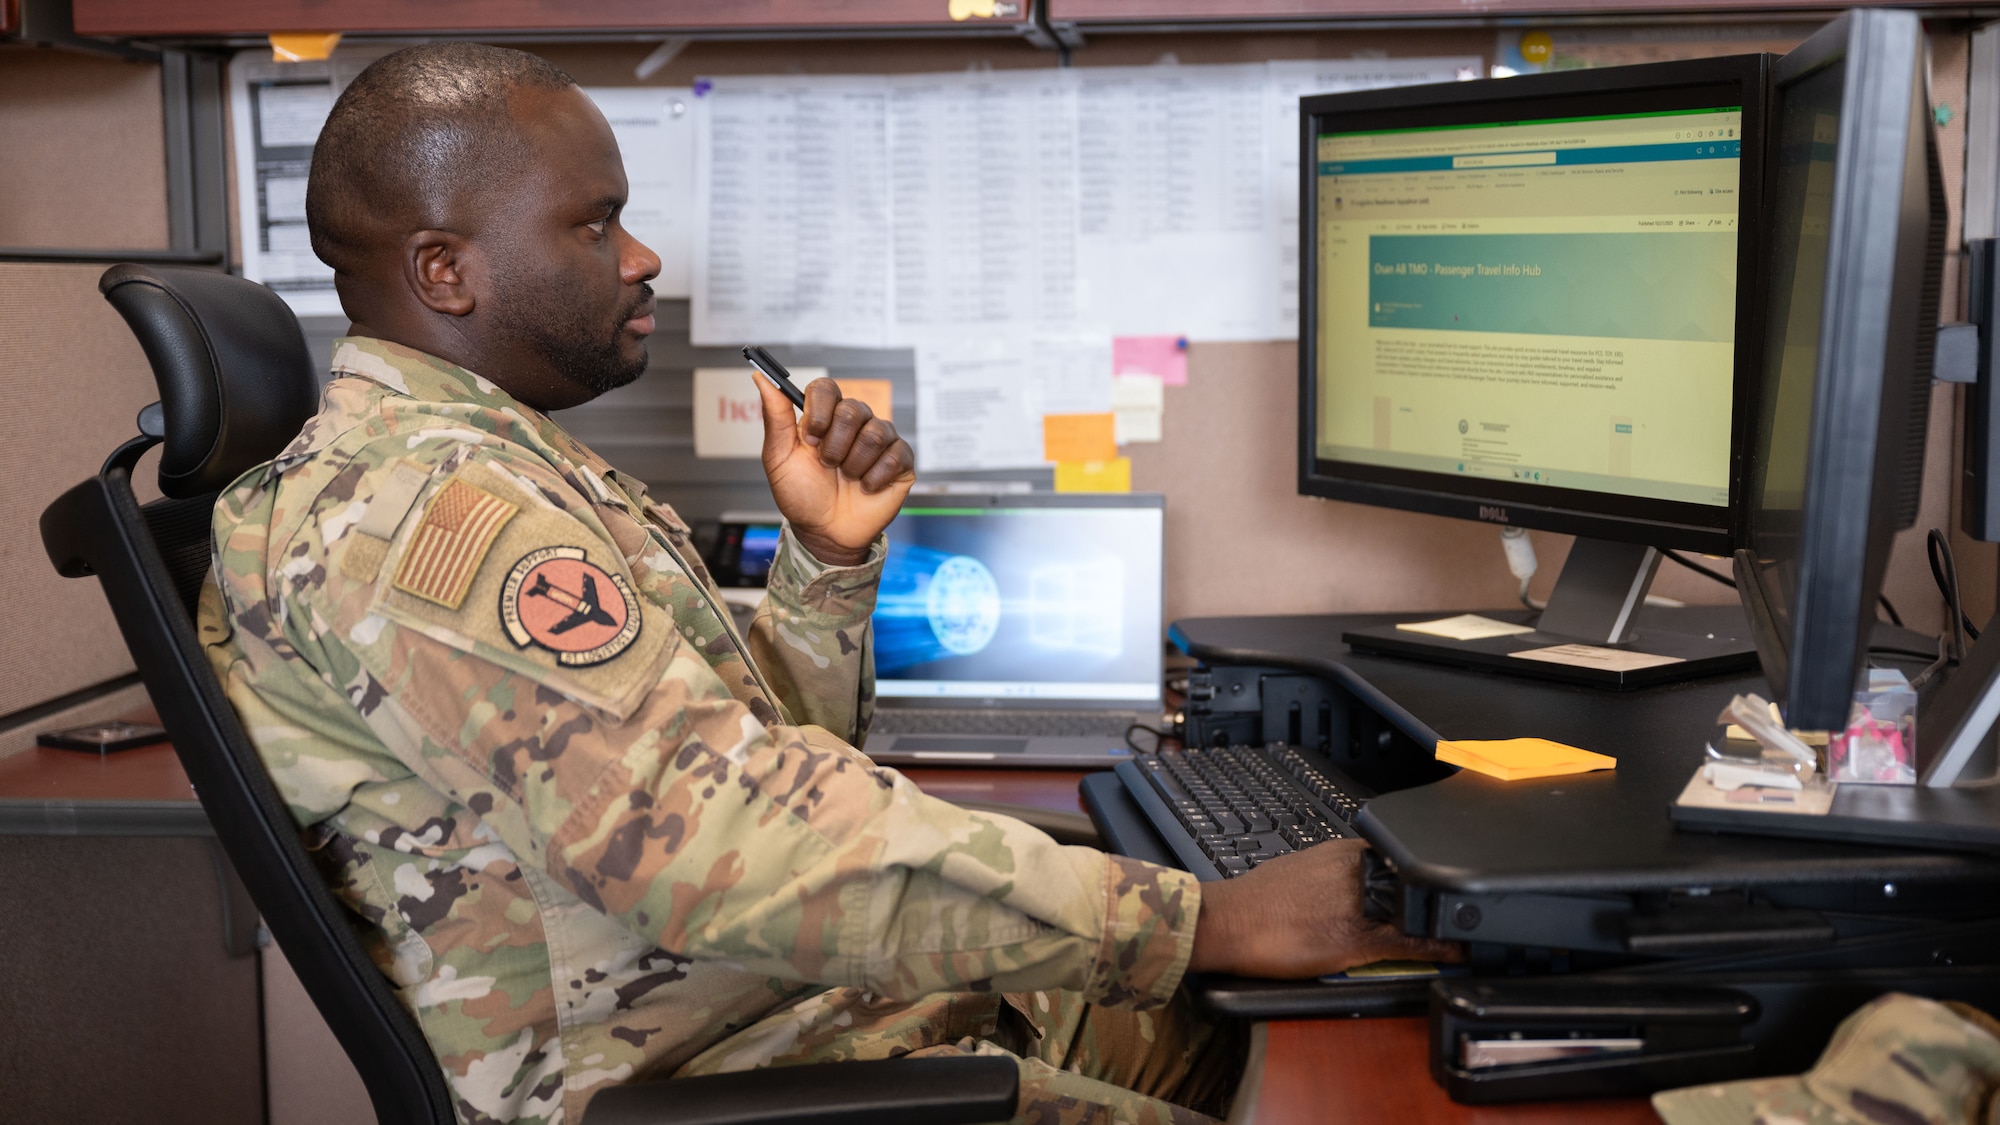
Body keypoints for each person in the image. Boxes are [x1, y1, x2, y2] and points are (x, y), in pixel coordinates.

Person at [199, 42, 1458, 1125]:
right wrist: (1201, 920)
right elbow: (723, 849)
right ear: (444, 273)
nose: (639, 257)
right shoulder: (436, 515)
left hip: (796, 1005)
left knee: (1301, 1039)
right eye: (592, 224)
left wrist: (825, 561)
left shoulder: (485, 463)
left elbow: (740, 767)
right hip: (720, 1071)